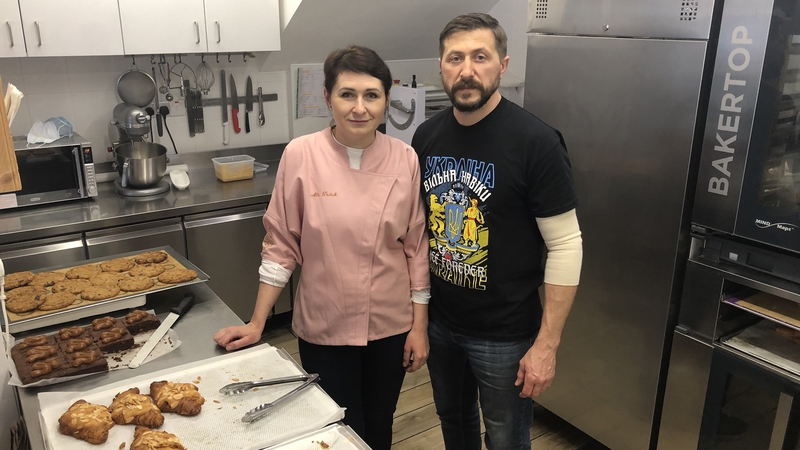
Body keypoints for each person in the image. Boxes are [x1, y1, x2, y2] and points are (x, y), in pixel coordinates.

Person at [213, 45, 431, 450]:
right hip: (324, 325)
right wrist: (257, 322)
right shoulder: (301, 154)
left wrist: (419, 328)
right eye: (347, 94)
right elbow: (281, 245)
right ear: (328, 97)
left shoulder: (405, 159)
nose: (359, 108)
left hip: (390, 325)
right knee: (334, 426)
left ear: (386, 99)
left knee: (379, 424)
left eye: (372, 95)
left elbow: (416, 248)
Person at [411, 13, 583, 450]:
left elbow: (565, 245)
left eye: (480, 57)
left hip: (505, 333)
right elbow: (418, 236)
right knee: (453, 420)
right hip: (441, 322)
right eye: (455, 58)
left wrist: (547, 344)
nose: (467, 70)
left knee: (506, 436)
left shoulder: (536, 142)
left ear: (502, 65)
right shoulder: (426, 137)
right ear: (442, 67)